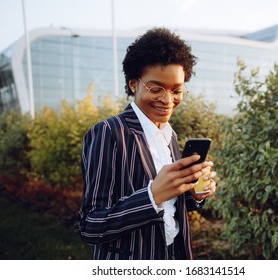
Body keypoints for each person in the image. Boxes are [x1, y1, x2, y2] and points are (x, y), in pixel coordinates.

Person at [79, 27, 217, 260]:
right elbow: (90, 225)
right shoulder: (108, 133)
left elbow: (170, 208)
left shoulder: (169, 135)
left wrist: (193, 195)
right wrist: (152, 196)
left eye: (177, 90)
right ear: (133, 84)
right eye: (156, 89)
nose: (167, 100)